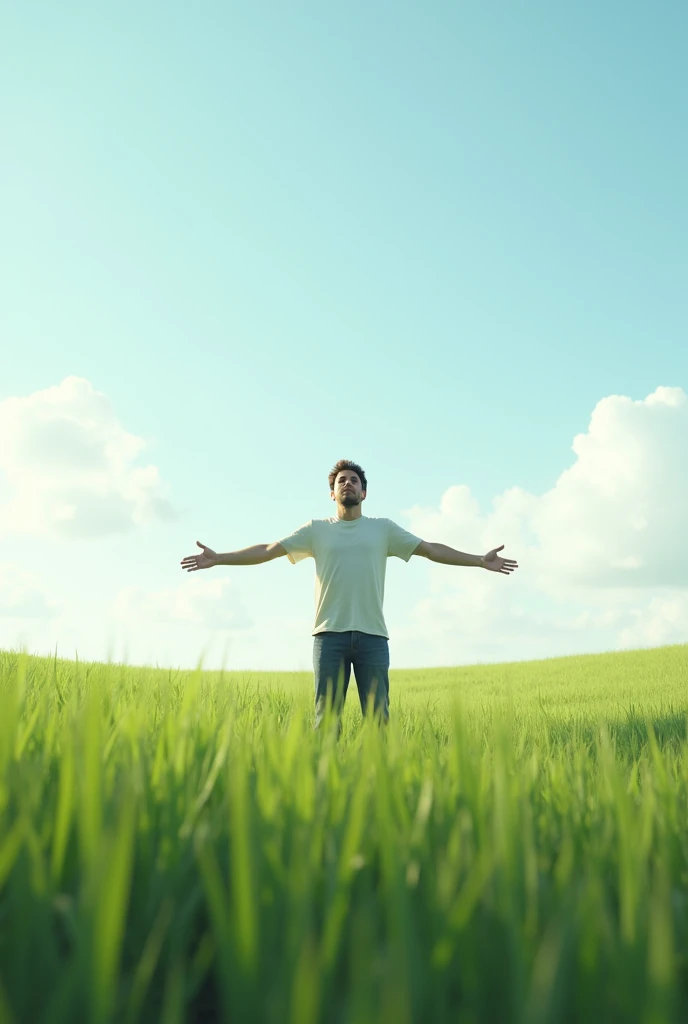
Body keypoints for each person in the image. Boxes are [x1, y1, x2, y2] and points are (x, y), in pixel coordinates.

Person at [181, 459, 518, 731]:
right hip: (328, 637)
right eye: (341, 480)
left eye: (354, 480)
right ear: (332, 493)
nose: (347, 483)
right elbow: (268, 550)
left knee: (378, 722)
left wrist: (478, 561)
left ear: (364, 492)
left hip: (373, 637)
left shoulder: (383, 529)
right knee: (325, 722)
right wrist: (220, 557)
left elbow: (430, 550)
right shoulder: (317, 530)